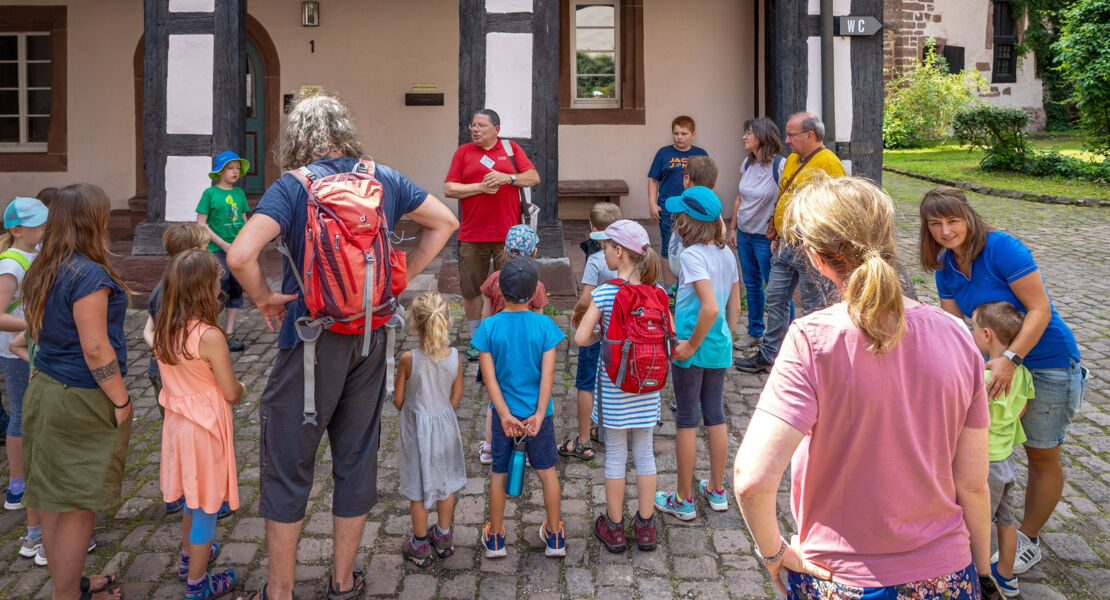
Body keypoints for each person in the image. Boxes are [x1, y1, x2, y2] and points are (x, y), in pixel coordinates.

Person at [226, 93, 457, 600]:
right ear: (345, 128)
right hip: (370, 339)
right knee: (355, 458)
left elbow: (241, 255)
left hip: (308, 340)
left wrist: (264, 298)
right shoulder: (383, 178)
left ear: (296, 137)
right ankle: (343, 580)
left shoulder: (294, 187)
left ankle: (281, 590)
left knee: (288, 463)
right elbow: (445, 222)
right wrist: (399, 280)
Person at [733, 175, 992, 598]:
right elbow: (974, 484)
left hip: (843, 579)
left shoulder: (811, 340)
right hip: (948, 575)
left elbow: (752, 479)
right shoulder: (957, 334)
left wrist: (773, 552)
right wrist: (982, 575)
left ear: (817, 259)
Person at [920, 187, 1087, 576]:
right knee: (988, 450)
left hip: (1047, 363)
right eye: (936, 224)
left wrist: (1011, 359)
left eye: (953, 220)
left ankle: (1027, 538)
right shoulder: (945, 265)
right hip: (992, 367)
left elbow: (1039, 308)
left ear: (968, 216)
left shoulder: (1002, 248)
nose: (946, 231)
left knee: (1042, 454)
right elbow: (956, 326)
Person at [21, 183, 129, 600]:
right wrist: (121, 399)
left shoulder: (45, 265)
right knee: (78, 504)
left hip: (47, 386)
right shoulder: (89, 273)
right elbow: (95, 346)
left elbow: (37, 332)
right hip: (79, 396)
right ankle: (66, 595)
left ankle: (67, 586)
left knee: (54, 501)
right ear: (91, 220)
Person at [154, 250, 244, 600]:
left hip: (178, 427)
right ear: (205, 288)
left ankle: (187, 558)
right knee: (207, 503)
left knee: (192, 495)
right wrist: (242, 389)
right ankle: (197, 583)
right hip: (205, 430)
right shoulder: (209, 336)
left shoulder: (164, 326)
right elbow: (230, 390)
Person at [573, 219, 663, 553]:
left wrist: (603, 335)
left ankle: (613, 527)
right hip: (648, 386)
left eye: (607, 246)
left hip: (615, 388)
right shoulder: (657, 293)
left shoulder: (606, 293)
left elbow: (582, 338)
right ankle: (646, 526)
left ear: (619, 252)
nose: (604, 251)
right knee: (645, 453)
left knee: (615, 454)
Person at [472, 256, 566, 559]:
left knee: (499, 472)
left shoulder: (488, 328)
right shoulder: (545, 326)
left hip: (506, 419)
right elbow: (547, 377)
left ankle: (497, 537)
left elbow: (490, 380)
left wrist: (503, 415)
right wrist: (539, 414)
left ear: (501, 289)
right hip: (539, 418)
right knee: (547, 472)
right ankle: (554, 535)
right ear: (534, 293)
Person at [655, 188, 740, 521]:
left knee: (688, 418)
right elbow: (733, 308)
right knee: (715, 414)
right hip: (719, 345)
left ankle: (683, 498)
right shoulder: (728, 255)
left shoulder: (692, 256)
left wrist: (689, 345)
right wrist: (724, 335)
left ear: (687, 221)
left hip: (692, 345)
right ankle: (717, 490)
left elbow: (710, 306)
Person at [734, 112, 842, 374]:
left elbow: (839, 209)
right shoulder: (793, 160)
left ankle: (815, 360)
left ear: (810, 135)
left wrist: (819, 246)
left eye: (791, 135)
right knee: (776, 298)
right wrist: (779, 234)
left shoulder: (829, 164)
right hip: (784, 244)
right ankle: (770, 355)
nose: (787, 140)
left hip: (810, 247)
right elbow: (783, 196)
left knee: (814, 304)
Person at [444, 108, 540, 361]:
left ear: (496, 130)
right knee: (471, 290)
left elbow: (533, 177)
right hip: (472, 234)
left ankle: (503, 336)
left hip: (507, 237)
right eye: (472, 125)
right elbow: (450, 189)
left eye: (481, 125)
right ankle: (477, 338)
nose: (475, 129)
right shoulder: (463, 153)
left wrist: (507, 177)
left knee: (508, 287)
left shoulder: (510, 150)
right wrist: (480, 187)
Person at [394, 291, 466, 567]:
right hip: (445, 425)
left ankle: (420, 543)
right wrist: (441, 411)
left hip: (417, 429)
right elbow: (457, 394)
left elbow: (399, 400)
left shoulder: (408, 359)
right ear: (446, 321)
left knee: (419, 488)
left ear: (415, 324)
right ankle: (444, 536)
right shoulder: (454, 356)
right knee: (445, 484)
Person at [970, 301, 1034, 598]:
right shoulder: (1023, 374)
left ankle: (974, 578)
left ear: (987, 335)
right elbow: (1023, 408)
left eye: (972, 328)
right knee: (1005, 521)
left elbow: (969, 416)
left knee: (977, 522)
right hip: (1007, 459)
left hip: (985, 462)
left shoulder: (986, 378)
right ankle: (1007, 576)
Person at [476, 225, 548, 464]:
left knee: (494, 400)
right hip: (527, 349)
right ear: (534, 252)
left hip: (497, 346)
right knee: (528, 394)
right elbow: (539, 319)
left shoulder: (493, 280)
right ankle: (526, 449)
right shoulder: (536, 284)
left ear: (506, 249)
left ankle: (489, 447)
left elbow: (485, 315)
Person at [0, 198, 46, 558]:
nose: (44, 229)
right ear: (17, 230)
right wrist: (34, 326)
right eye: (37, 224)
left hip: (29, 344)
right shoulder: (10, 263)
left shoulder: (36, 250)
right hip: (14, 349)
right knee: (20, 413)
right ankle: (18, 485)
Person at [563, 202, 622, 461]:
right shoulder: (629, 258)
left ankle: (584, 441)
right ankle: (607, 428)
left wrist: (576, 311)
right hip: (619, 331)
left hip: (596, 330)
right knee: (610, 378)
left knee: (586, 383)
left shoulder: (597, 260)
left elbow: (587, 299)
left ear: (592, 228)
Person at [727, 117, 787, 350]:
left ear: (762, 136)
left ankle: (783, 336)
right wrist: (733, 227)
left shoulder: (779, 166)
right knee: (751, 284)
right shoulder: (747, 163)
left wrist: (780, 235)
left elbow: (787, 199)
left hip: (766, 237)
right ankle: (755, 332)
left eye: (749, 133)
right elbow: (739, 197)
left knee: (775, 287)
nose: (744, 137)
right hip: (745, 234)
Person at [197, 150, 251, 352]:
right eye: (230, 168)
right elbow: (202, 224)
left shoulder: (239, 193)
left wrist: (245, 241)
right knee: (220, 285)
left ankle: (228, 333)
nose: (235, 172)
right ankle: (210, 329)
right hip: (216, 249)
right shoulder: (210, 194)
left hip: (237, 248)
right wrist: (222, 244)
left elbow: (244, 219)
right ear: (220, 171)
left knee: (236, 287)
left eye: (238, 169)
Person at [647, 115, 708, 286]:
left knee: (695, 246)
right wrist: (652, 203)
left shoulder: (700, 154)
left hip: (694, 209)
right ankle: (670, 289)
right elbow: (653, 180)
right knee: (669, 247)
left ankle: (691, 285)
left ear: (693, 135)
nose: (679, 137)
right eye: (676, 133)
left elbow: (708, 182)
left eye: (684, 133)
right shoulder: (664, 153)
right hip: (668, 208)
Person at [666, 155, 719, 290]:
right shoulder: (713, 210)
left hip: (693, 278)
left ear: (687, 178)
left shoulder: (691, 208)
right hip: (698, 276)